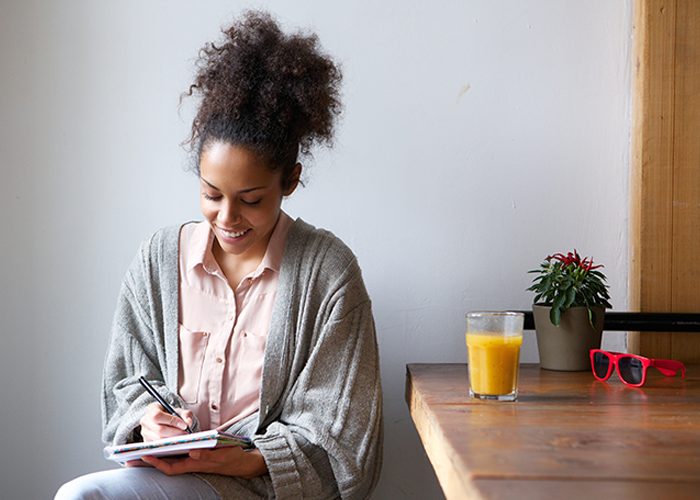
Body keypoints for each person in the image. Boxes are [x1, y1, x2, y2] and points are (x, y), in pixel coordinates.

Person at [56, 10, 382, 500]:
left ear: (289, 181)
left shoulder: (328, 273)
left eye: (250, 199)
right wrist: (151, 422)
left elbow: (344, 440)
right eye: (211, 194)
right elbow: (125, 383)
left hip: (262, 489)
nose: (227, 217)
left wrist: (249, 459)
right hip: (170, 477)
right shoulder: (159, 259)